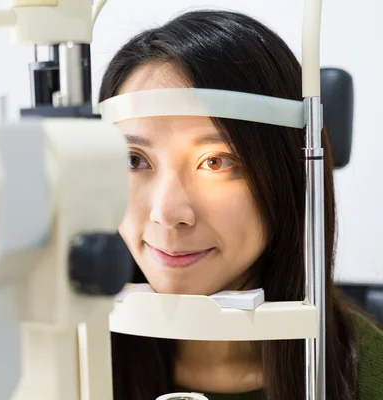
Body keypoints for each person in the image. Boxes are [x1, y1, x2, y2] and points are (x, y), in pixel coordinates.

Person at [98, 9, 383, 400]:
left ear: (285, 177)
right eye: (134, 160)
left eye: (216, 161)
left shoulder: (365, 373)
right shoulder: (71, 358)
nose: (167, 213)